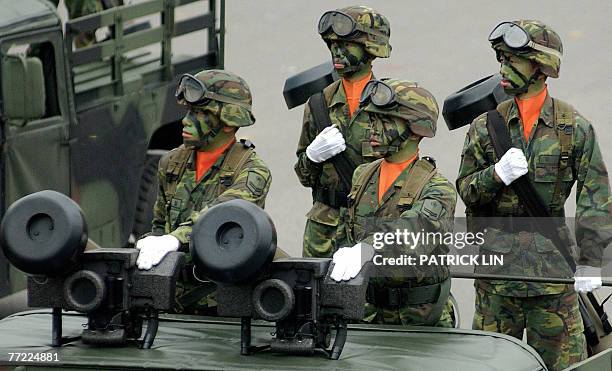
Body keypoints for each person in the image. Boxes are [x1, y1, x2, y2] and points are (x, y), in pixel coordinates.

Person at [456, 20, 612, 370]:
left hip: (552, 280)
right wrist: (495, 175)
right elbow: (466, 190)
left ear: (542, 67)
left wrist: (591, 256)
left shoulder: (574, 128)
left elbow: (596, 196)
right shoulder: (486, 126)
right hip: (496, 282)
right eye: (501, 60)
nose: (503, 69)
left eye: (514, 61)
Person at [136, 69, 272, 315]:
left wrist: (174, 239)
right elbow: (159, 225)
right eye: (188, 112)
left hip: (222, 302)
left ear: (229, 123)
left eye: (199, 113)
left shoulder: (252, 171)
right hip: (171, 298)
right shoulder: (171, 162)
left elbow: (219, 215)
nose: (186, 121)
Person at [330, 79, 457, 327]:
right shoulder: (363, 175)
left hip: (419, 319)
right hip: (367, 313)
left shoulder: (437, 189)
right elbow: (345, 235)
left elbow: (414, 233)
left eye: (385, 121)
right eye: (373, 120)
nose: (373, 129)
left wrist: (367, 248)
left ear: (414, 128)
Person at [295, 6, 391, 258]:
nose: (336, 51)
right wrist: (312, 157)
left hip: (373, 230)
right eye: (332, 44)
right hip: (323, 231)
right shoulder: (318, 104)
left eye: (346, 45)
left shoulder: (392, 104)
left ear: (371, 48)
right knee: (314, 296)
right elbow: (304, 176)